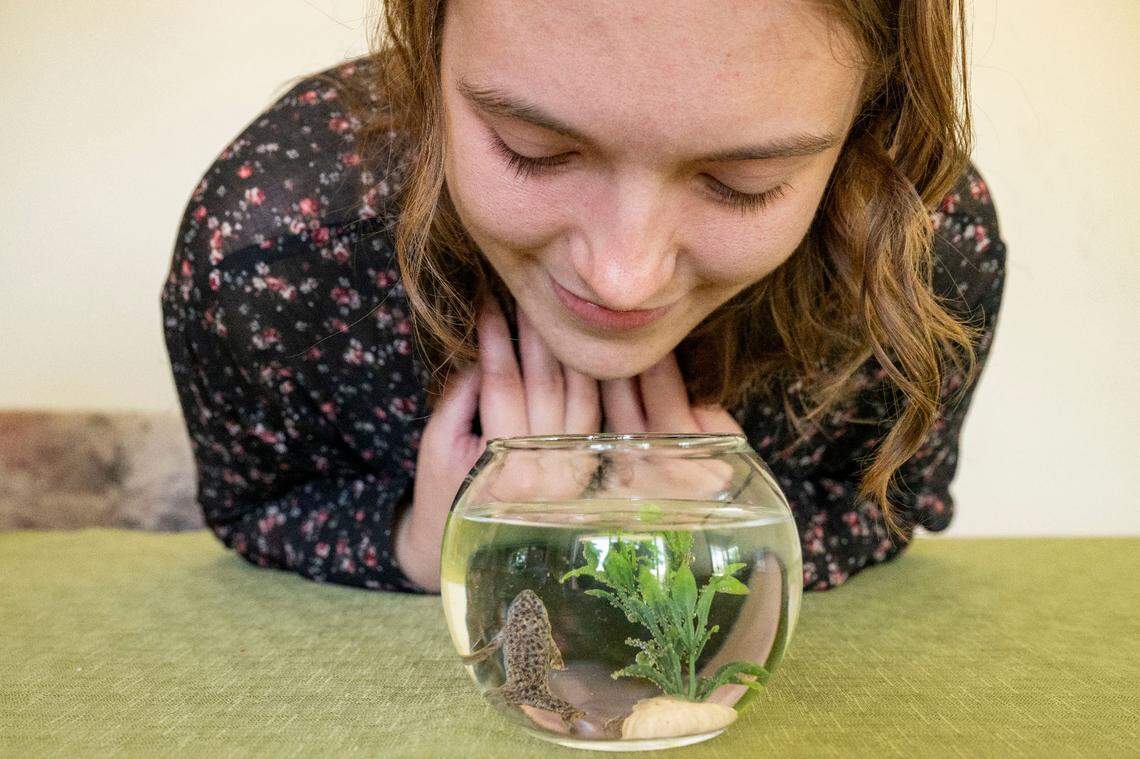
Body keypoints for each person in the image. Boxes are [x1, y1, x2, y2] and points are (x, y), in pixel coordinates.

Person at [161, 0, 1006, 594]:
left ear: (867, 118)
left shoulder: (918, 253)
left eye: (746, 183)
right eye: (532, 149)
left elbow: (895, 509)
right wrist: (418, 544)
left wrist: (748, 537)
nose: (621, 277)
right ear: (425, 40)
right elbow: (255, 506)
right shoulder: (268, 253)